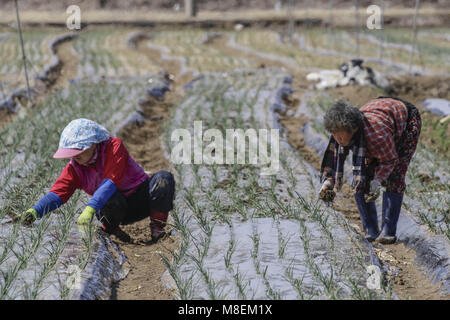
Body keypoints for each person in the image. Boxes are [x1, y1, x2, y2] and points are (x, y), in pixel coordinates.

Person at [14, 118, 175, 243]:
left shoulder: (113, 147)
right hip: (113, 209)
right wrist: (35, 211)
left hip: (140, 200)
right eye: (72, 153)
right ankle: (111, 228)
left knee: (163, 178)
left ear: (94, 144)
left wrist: (90, 208)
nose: (75, 157)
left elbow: (111, 181)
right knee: (110, 198)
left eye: (79, 151)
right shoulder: (75, 168)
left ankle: (157, 228)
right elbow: (58, 193)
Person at [319, 97, 421, 244]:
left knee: (395, 175)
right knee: (362, 178)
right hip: (383, 115)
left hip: (406, 121)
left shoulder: (376, 135)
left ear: (353, 129)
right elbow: (333, 161)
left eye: (339, 134)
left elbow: (390, 160)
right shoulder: (340, 133)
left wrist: (378, 180)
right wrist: (328, 182)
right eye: (334, 134)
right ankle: (371, 230)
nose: (337, 138)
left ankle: (388, 231)